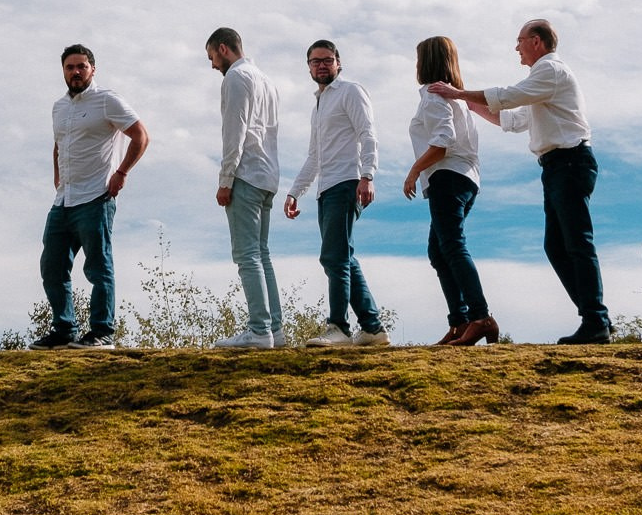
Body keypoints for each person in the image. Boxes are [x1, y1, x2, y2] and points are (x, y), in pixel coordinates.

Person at [431, 18, 608, 344]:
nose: (516, 47)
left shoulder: (550, 71)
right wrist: (469, 103)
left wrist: (459, 92)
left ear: (536, 42)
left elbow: (509, 96)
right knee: (557, 246)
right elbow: (512, 119)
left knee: (577, 243)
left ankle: (596, 320)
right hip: (556, 166)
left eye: (520, 40)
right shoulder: (541, 85)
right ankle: (594, 318)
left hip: (570, 162)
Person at [37, 44, 149, 350]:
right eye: (70, 67)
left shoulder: (107, 100)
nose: (75, 72)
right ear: (63, 71)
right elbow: (59, 144)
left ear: (92, 69)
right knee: (52, 267)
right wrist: (57, 176)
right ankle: (64, 330)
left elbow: (141, 135)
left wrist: (121, 172)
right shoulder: (59, 107)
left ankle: (102, 332)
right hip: (64, 201)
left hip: (96, 197)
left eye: (81, 66)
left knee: (98, 267)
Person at [285, 39, 388, 347]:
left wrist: (367, 175)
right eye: (315, 61)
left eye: (327, 60)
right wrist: (295, 192)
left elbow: (368, 134)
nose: (321, 65)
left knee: (333, 257)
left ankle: (339, 328)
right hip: (325, 188)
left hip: (347, 182)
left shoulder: (350, 91)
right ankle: (372, 328)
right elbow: (314, 156)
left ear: (338, 63)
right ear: (308, 67)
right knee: (343, 258)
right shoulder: (318, 106)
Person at [403, 35, 497, 346]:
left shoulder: (434, 95)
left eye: (419, 59)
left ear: (426, 62)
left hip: (448, 177)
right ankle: (460, 322)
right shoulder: (455, 98)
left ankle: (480, 317)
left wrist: (414, 170)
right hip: (465, 179)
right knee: (440, 250)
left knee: (452, 247)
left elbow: (442, 142)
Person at [205, 27, 284, 350]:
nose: (213, 65)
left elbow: (234, 133)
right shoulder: (266, 80)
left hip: (247, 174)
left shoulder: (236, 78)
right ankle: (274, 329)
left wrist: (225, 180)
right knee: (261, 253)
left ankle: (259, 330)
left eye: (211, 57)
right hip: (268, 175)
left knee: (246, 254)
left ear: (223, 49)